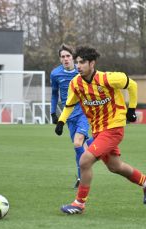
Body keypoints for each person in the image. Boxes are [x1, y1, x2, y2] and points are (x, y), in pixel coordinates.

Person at [54, 45, 146, 215]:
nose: (78, 66)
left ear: (92, 63)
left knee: (85, 161)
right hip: (98, 130)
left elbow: (133, 85)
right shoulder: (76, 83)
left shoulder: (108, 78)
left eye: (82, 62)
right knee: (115, 167)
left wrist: (131, 109)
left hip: (113, 128)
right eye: (77, 62)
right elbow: (70, 104)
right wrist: (61, 122)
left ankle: (79, 203)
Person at [50, 44, 92, 188]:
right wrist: (53, 113)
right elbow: (54, 94)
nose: (66, 59)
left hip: (83, 112)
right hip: (68, 116)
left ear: (73, 58)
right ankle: (99, 142)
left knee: (77, 142)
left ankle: (82, 180)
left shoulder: (81, 72)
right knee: (80, 147)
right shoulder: (55, 74)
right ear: (60, 59)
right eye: (63, 57)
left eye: (68, 56)